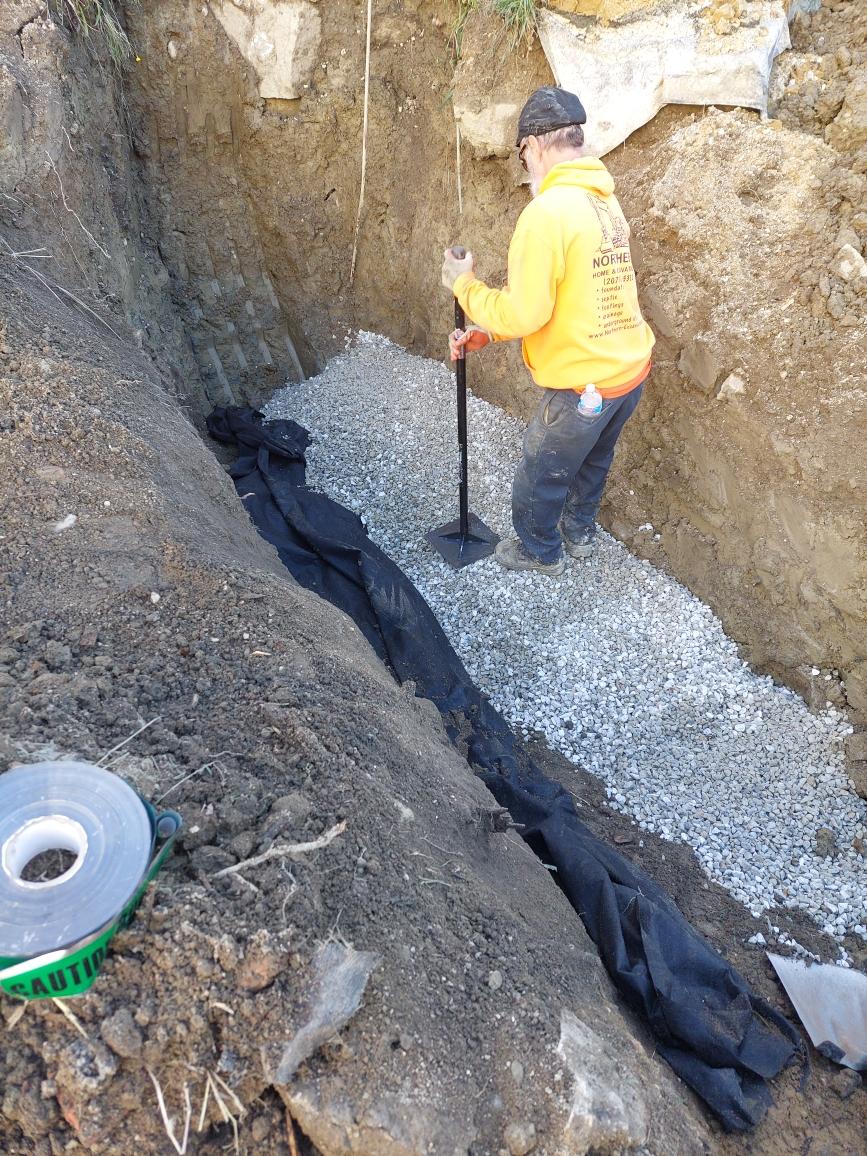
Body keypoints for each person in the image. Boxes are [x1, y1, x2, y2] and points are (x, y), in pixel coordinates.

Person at [441, 86, 655, 577]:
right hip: (628, 375)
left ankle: (539, 551)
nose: (525, 168)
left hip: (584, 386)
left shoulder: (547, 213)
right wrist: (488, 334)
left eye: (522, 156)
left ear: (533, 145)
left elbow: (525, 314)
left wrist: (465, 285)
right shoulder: (604, 203)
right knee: (594, 461)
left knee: (542, 471)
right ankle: (578, 534)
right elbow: (571, 298)